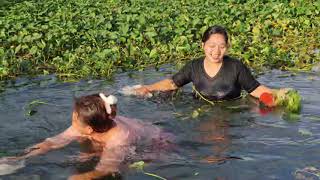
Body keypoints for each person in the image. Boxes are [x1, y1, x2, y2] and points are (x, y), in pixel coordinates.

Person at [0, 93, 173, 179]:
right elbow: (53, 143)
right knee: (84, 152)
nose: (72, 120)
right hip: (111, 136)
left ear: (90, 129)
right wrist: (19, 158)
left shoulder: (119, 139)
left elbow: (106, 169)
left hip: (159, 143)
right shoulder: (86, 124)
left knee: (128, 167)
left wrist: (82, 177)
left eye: (74, 118)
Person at [133, 25, 289, 107]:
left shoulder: (236, 67)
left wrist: (279, 94)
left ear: (227, 47)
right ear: (203, 45)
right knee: (164, 97)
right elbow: (172, 83)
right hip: (199, 110)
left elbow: (255, 89)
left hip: (231, 113)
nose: (216, 52)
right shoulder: (193, 67)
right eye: (211, 46)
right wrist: (148, 88)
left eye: (221, 46)